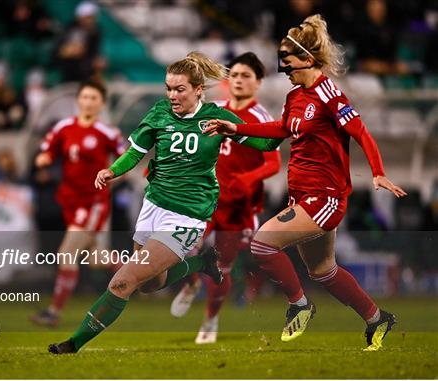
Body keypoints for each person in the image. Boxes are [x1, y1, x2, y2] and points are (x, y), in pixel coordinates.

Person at [47, 51, 282, 354]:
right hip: (153, 206)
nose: (172, 95)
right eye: (169, 88)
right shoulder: (159, 113)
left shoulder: (217, 117)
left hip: (187, 216)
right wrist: (111, 171)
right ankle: (200, 262)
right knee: (148, 283)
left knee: (122, 282)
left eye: (179, 89)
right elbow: (134, 153)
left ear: (198, 89)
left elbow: (265, 144)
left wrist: (272, 128)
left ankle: (72, 344)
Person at [203, 15, 407, 351]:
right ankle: (376, 318)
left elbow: (361, 133)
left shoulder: (329, 95)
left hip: (325, 197)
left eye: (288, 58)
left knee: (262, 244)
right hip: (303, 196)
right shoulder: (296, 95)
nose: (283, 65)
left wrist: (378, 171)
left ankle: (299, 305)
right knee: (323, 270)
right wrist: (236, 128)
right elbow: (282, 129)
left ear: (307, 59)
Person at [169, 52, 282, 344]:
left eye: (246, 76)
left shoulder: (261, 118)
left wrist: (246, 179)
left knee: (221, 268)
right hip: (205, 198)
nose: (239, 80)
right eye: (235, 75)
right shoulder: (213, 109)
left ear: (258, 82)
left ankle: (210, 319)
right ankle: (192, 282)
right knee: (177, 246)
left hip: (239, 207)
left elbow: (273, 163)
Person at [30, 80, 126, 326]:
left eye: (94, 98)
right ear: (78, 100)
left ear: (101, 103)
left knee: (66, 253)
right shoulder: (64, 127)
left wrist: (114, 176)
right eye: (85, 97)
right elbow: (48, 150)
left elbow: (126, 159)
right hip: (70, 202)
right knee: (97, 260)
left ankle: (54, 311)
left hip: (93, 202)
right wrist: (44, 159)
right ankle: (142, 271)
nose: (88, 102)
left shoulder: (107, 132)